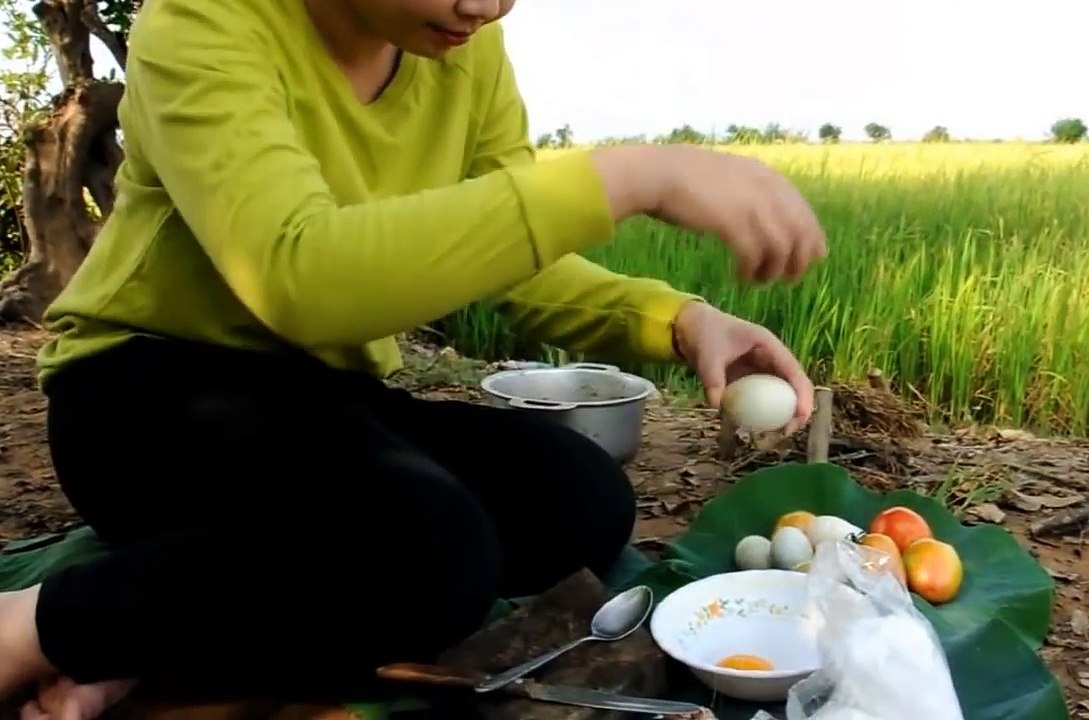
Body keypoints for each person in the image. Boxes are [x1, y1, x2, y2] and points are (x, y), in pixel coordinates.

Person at [0, 0, 828, 717]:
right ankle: (36, 628)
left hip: (319, 395)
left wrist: (681, 322)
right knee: (430, 554)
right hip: (146, 392)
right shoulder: (205, 20)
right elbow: (296, 273)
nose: (487, 8)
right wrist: (629, 178)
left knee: (578, 499)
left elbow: (513, 259)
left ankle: (149, 633)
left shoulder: (461, 53)